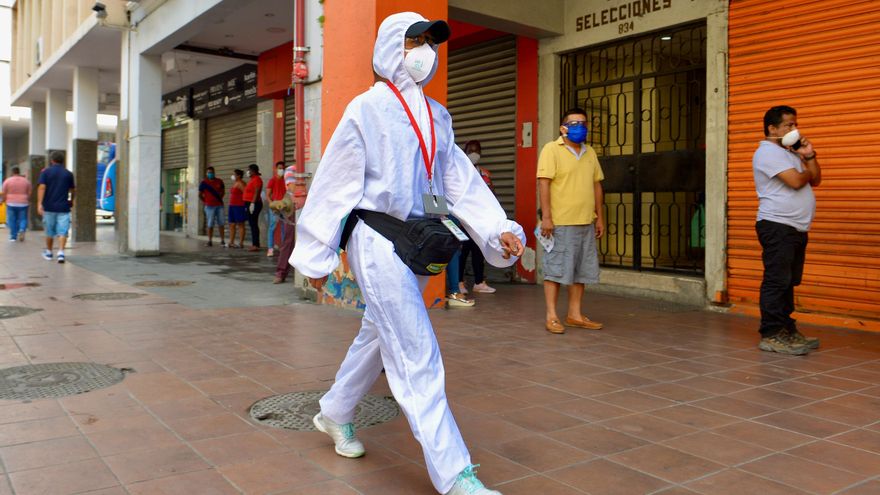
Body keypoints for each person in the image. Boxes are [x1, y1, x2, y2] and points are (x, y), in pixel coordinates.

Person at [290, 12, 524, 495]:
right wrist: (316, 257)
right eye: (415, 41)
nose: (425, 52)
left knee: (379, 333)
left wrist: (499, 230)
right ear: (391, 47)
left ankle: (334, 411)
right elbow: (334, 184)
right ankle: (456, 474)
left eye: (431, 43)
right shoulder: (365, 110)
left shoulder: (439, 116)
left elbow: (459, 181)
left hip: (418, 240)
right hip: (375, 238)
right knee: (416, 350)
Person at [752, 105, 822, 355]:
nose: (795, 129)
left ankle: (787, 329)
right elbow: (795, 182)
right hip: (777, 225)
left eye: (795, 124)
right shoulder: (767, 153)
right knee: (776, 280)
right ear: (772, 128)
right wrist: (802, 171)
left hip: (795, 227)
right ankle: (771, 334)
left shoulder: (790, 153)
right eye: (788, 125)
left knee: (788, 282)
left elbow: (815, 179)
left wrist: (809, 156)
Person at [537, 108, 605, 335]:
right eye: (574, 123)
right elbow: (544, 183)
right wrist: (546, 217)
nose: (580, 127)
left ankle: (575, 314)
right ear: (563, 128)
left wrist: (599, 217)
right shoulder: (551, 150)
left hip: (586, 221)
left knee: (581, 271)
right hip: (560, 222)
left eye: (583, 123)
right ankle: (552, 316)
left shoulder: (590, 153)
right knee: (555, 270)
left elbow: (597, 185)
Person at [458, 140, 496, 294]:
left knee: (478, 251)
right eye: (470, 150)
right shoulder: (460, 171)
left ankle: (479, 282)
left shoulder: (485, 174)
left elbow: (491, 195)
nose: (474, 153)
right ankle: (459, 282)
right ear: (465, 152)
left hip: (479, 221)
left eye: (477, 150)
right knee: (461, 252)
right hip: (462, 220)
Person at [37, 151, 75, 263]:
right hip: (63, 207)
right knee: (63, 231)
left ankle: (49, 252)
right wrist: (71, 200)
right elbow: (73, 190)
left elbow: (42, 187)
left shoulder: (46, 172)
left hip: (49, 207)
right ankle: (61, 253)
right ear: (63, 161)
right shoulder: (68, 174)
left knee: (49, 231)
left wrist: (39, 203)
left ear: (51, 160)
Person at [270, 164, 298, 284]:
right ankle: (281, 273)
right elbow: (292, 188)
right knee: (288, 242)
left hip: (311, 208)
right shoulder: (291, 170)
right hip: (293, 209)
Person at [1, 166, 32, 242]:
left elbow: (4, 192)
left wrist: (3, 200)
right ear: (19, 172)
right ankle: (22, 229)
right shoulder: (26, 181)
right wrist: (27, 199)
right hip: (23, 203)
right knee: (23, 218)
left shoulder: (7, 181)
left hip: (11, 203)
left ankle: (13, 237)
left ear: (12, 172)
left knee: (12, 220)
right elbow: (30, 192)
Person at [198, 166, 226, 247]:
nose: (210, 174)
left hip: (219, 206)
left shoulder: (219, 181)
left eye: (212, 172)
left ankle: (222, 241)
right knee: (210, 224)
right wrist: (205, 201)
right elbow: (199, 195)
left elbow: (223, 191)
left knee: (221, 223)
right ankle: (209, 241)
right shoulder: (204, 183)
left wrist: (219, 199)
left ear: (214, 172)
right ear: (206, 173)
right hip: (209, 206)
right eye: (209, 172)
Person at [265, 160, 288, 257]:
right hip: (275, 207)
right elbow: (268, 195)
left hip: (285, 206)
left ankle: (283, 248)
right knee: (272, 227)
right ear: (276, 169)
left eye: (283, 169)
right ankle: (270, 249)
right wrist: (272, 205)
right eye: (279, 168)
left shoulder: (286, 180)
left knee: (285, 228)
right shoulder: (272, 180)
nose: (281, 170)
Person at [242, 163, 263, 252]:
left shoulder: (257, 179)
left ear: (253, 171)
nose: (248, 172)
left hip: (253, 204)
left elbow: (256, 192)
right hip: (249, 203)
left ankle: (255, 245)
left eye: (249, 170)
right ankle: (255, 244)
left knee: (253, 224)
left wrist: (252, 204)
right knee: (252, 224)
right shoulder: (252, 179)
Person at [228, 169, 247, 248]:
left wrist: (246, 205)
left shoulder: (241, 184)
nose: (233, 176)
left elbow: (246, 194)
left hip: (239, 206)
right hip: (232, 206)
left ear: (239, 176)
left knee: (240, 224)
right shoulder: (235, 183)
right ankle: (231, 242)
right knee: (232, 224)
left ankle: (241, 243)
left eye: (234, 174)